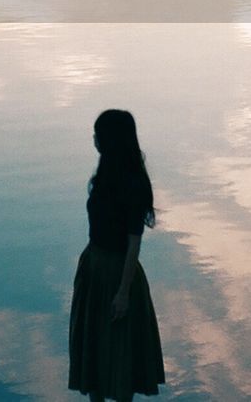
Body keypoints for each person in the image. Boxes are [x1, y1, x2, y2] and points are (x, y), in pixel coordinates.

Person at [69, 109, 165, 401]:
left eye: (98, 134)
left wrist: (123, 293)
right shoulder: (103, 177)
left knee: (121, 352)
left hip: (118, 271)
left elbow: (133, 242)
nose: (94, 139)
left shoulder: (133, 185)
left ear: (111, 140)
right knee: (94, 350)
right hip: (93, 267)